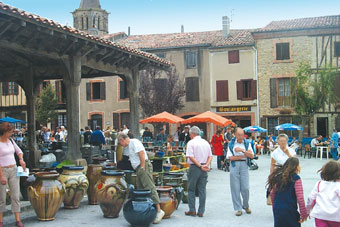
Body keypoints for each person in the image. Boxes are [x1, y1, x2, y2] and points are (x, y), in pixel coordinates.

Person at [117, 133, 165, 224]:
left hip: (143, 166)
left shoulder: (134, 142)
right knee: (141, 189)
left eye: (120, 142)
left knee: (149, 187)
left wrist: (142, 167)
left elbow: (141, 153)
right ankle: (147, 210)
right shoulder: (128, 147)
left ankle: (159, 210)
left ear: (123, 139)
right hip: (138, 168)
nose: (121, 145)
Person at [267, 157, 308, 227]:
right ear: (296, 167)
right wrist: (303, 214)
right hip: (290, 209)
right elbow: (300, 198)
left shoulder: (277, 176)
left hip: (278, 208)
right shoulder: (296, 178)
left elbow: (272, 193)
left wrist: (275, 206)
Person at [0, 122, 26, 227]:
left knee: (15, 195)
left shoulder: (11, 140)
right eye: (9, 132)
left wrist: (21, 159)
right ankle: (1, 220)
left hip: (13, 169)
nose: (11, 133)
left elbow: (19, 151)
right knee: (1, 197)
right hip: (2, 170)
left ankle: (18, 219)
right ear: (4, 132)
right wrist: (1, 175)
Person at [185, 126, 212, 217]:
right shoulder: (205, 142)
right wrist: (206, 165)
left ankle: (192, 209)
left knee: (191, 189)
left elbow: (191, 157)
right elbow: (210, 156)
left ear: (192, 134)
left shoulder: (191, 143)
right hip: (204, 166)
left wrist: (200, 166)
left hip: (195, 167)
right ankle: (201, 211)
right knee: (202, 189)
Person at [226, 128, 254, 216]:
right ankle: (238, 208)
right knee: (235, 188)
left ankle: (246, 205)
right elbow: (230, 158)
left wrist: (242, 151)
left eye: (242, 134)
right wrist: (244, 155)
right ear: (235, 135)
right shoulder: (231, 144)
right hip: (234, 165)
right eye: (239, 135)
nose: (241, 137)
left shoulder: (247, 143)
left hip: (244, 165)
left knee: (245, 187)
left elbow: (252, 155)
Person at [306, 161, 340, 227]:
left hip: (320, 215)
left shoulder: (319, 184)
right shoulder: (338, 185)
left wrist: (307, 210)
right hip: (336, 216)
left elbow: (311, 198)